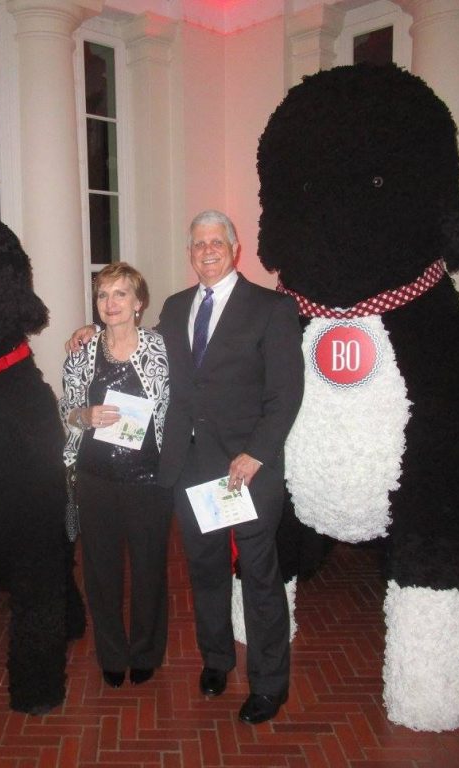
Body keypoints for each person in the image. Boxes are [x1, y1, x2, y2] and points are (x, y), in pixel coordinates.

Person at [67, 210, 304, 724]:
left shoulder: (272, 308)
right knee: (207, 570)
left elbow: (286, 393)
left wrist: (259, 452)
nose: (208, 250)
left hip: (246, 468)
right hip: (191, 466)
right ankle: (216, 661)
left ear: (235, 249)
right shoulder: (175, 309)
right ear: (190, 252)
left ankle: (268, 684)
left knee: (260, 575)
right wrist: (93, 328)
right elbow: (134, 341)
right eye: (199, 243)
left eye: (217, 241)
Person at [59, 263, 172, 689]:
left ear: (138, 303)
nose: (111, 304)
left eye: (120, 294)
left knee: (149, 571)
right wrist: (82, 414)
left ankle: (145, 651)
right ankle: (112, 653)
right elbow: (65, 410)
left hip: (149, 480)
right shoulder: (80, 353)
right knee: (101, 572)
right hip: (96, 478)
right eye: (104, 296)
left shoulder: (161, 349)